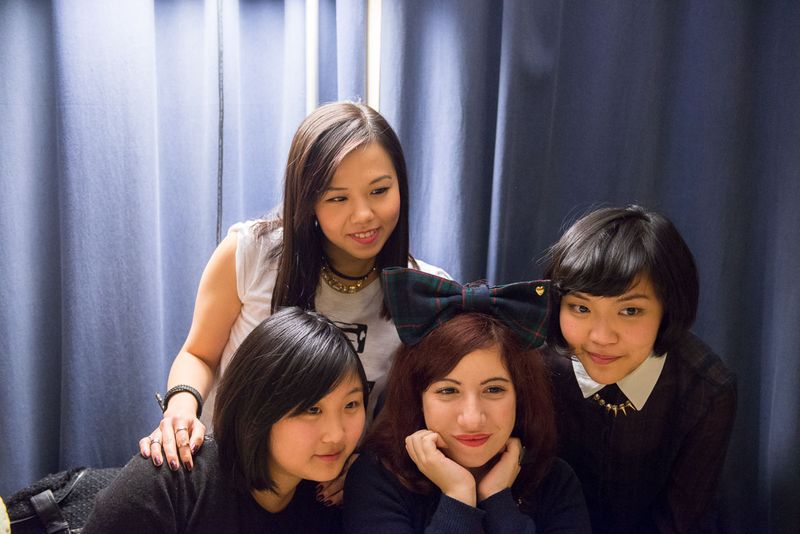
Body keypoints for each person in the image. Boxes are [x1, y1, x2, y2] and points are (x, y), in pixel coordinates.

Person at [139, 101, 448, 488]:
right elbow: (199, 353)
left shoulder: (427, 292)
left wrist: (368, 465)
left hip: (330, 497)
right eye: (338, 198)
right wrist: (182, 405)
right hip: (229, 478)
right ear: (309, 201)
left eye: (379, 190)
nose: (364, 214)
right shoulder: (249, 252)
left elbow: (410, 414)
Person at [343, 268, 591, 533]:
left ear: (521, 395)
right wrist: (457, 496)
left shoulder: (555, 481)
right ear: (418, 398)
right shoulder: (377, 478)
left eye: (494, 390)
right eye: (448, 391)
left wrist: (498, 501)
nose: (472, 419)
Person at [541, 205, 737, 533]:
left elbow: (680, 521)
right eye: (580, 307)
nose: (601, 337)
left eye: (630, 311)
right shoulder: (533, 366)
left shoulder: (706, 388)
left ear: (667, 309)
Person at [84, 307, 367, 533]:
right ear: (259, 407)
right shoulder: (169, 483)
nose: (336, 435)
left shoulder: (329, 501)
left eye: (351, 404)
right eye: (312, 410)